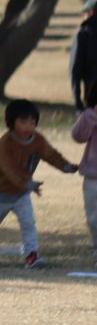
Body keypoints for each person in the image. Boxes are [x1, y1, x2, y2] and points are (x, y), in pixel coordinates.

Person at [0, 99, 78, 268]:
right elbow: (10, 169)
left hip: (21, 194)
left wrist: (66, 166)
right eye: (23, 121)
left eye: (32, 122)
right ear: (11, 122)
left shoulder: (37, 140)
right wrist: (27, 183)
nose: (28, 127)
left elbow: (51, 155)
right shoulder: (6, 143)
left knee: (28, 223)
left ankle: (31, 256)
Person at [71, 80, 97, 268]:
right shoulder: (89, 115)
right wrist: (92, 117)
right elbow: (78, 136)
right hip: (93, 178)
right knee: (94, 219)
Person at [70, 0, 97, 112]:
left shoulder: (83, 35)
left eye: (85, 12)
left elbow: (75, 71)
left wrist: (78, 102)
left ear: (91, 12)